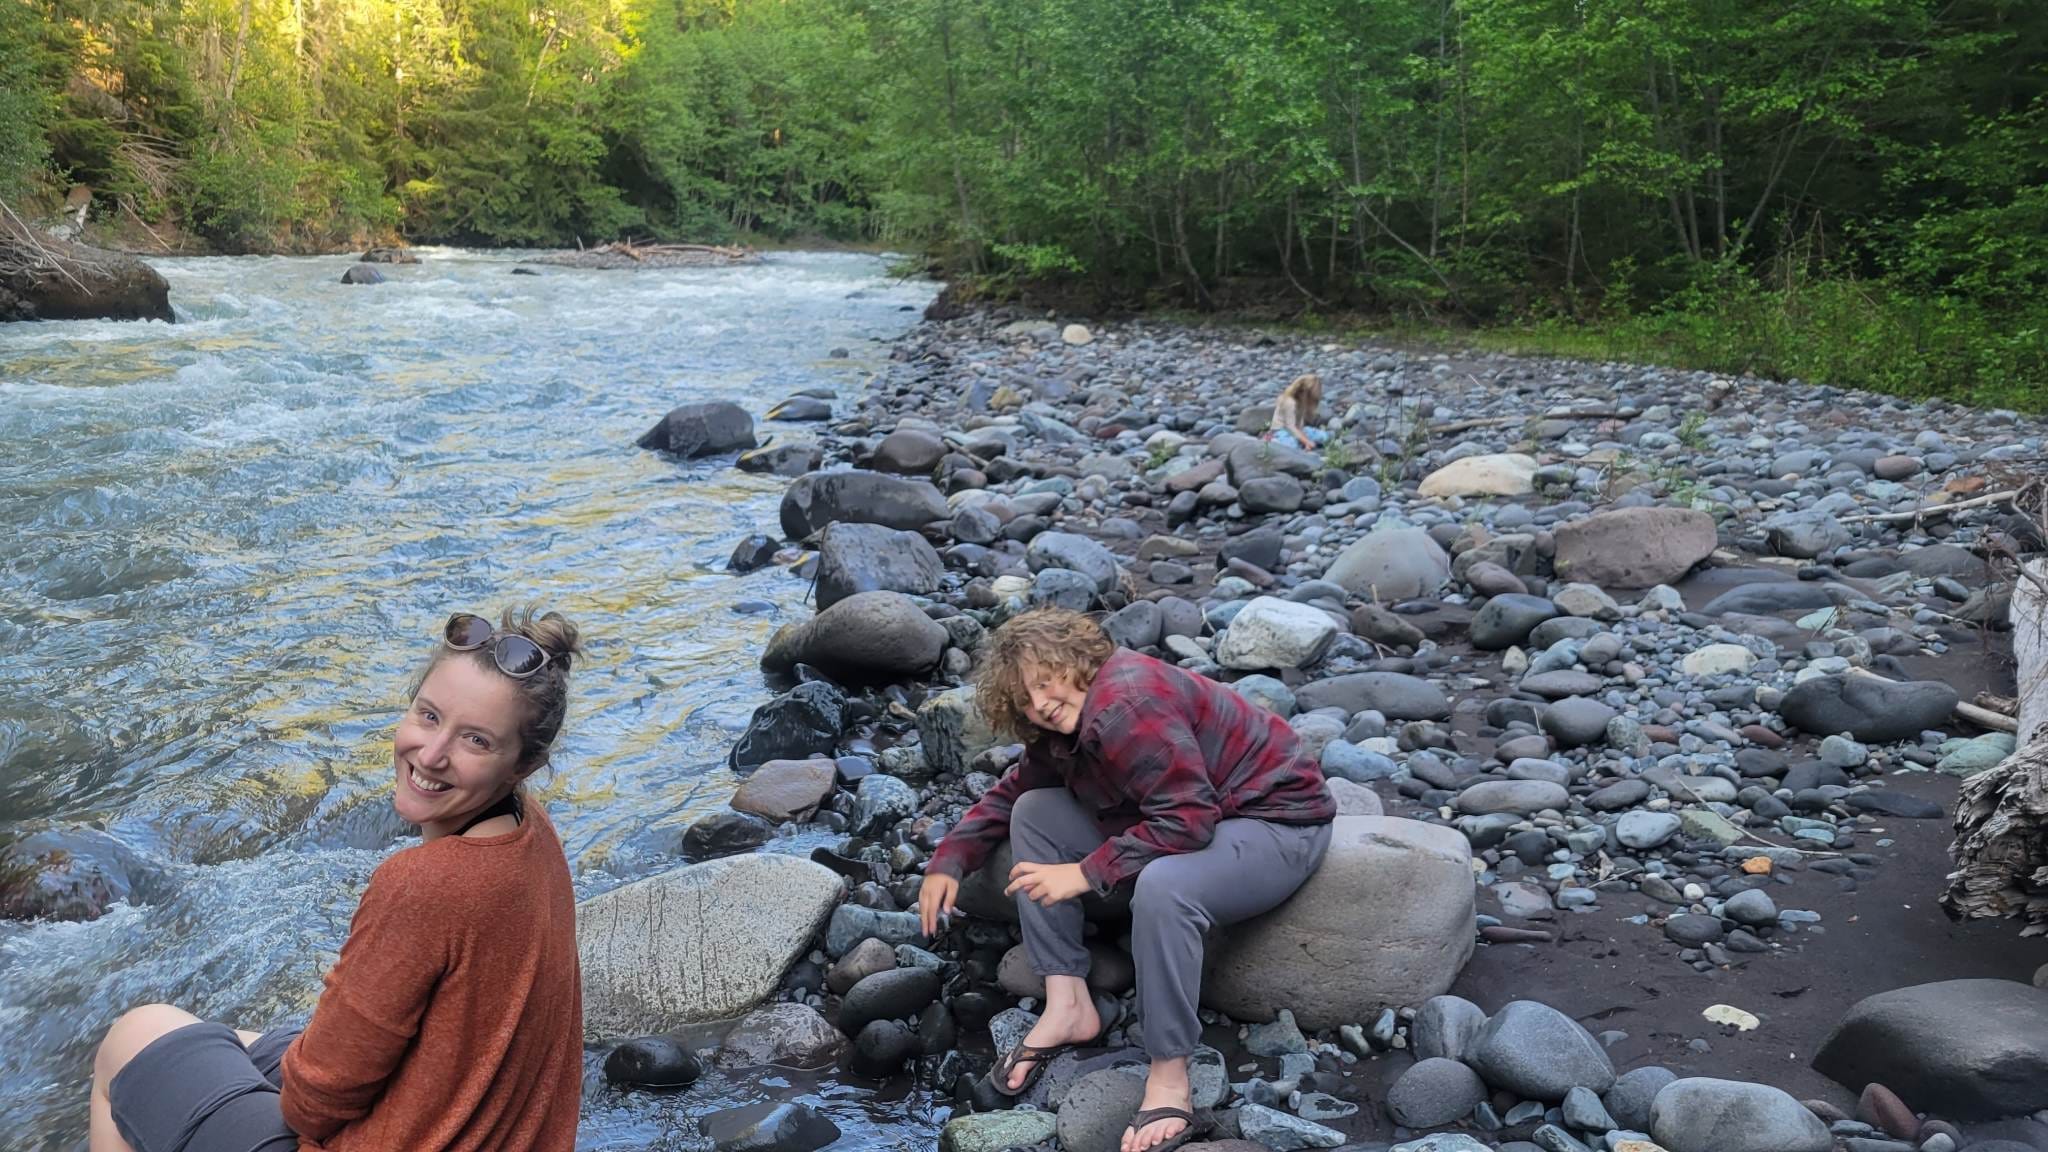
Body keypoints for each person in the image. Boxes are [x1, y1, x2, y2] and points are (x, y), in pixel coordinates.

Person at [88, 608, 586, 1152]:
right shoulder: (532, 834)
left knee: (133, 1037)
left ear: (522, 765)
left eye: (476, 741)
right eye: (428, 716)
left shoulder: (424, 882)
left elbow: (312, 1105)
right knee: (232, 1041)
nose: (433, 753)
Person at [918, 608, 1336, 1152]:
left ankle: (1170, 1076)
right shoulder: (1060, 726)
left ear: (1079, 664)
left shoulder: (1126, 706)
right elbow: (1015, 789)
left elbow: (1189, 819)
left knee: (1165, 887)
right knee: (1035, 812)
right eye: (1025, 699)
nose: (1041, 703)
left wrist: (1087, 873)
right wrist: (948, 860)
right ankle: (1067, 1002)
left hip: (1276, 822)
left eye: (1047, 683)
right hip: (1208, 812)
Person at [1269, 372, 1326, 450]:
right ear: (1303, 392)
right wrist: (1306, 441)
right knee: (1292, 446)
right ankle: (1273, 441)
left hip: (1297, 430)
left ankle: (1300, 442)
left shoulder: (1302, 402)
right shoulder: (1289, 402)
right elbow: (1290, 427)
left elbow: (1300, 424)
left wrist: (1304, 439)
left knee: (1324, 437)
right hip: (1281, 430)